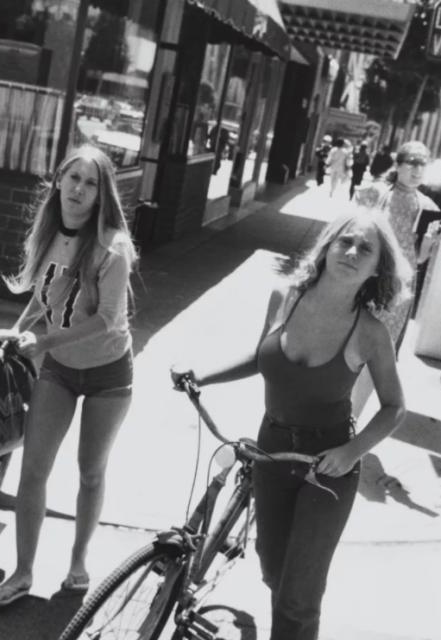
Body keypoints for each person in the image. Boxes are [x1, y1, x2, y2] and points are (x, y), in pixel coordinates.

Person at [171, 209, 410, 640]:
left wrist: (351, 453)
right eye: (346, 241)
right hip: (273, 448)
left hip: (329, 465)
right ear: (328, 247)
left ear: (378, 267)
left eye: (366, 249)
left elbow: (394, 407)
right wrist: (202, 374)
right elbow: (262, 355)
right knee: (272, 569)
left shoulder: (371, 333)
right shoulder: (285, 296)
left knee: (298, 597)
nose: (353, 253)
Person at [0, 145, 138, 606]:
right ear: (58, 181)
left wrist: (44, 342)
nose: (79, 190)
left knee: (90, 472)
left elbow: (109, 318)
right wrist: (18, 329)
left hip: (109, 371)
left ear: (100, 194)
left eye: (90, 184)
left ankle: (78, 560)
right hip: (61, 369)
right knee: (34, 469)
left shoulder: (113, 247)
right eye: (73, 178)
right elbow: (48, 293)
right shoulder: (48, 233)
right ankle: (23, 573)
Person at [353, 141, 438, 352]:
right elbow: (351, 228)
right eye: (412, 163)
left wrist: (428, 241)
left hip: (399, 285)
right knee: (352, 334)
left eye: (423, 165)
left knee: (383, 345)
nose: (417, 170)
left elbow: (419, 258)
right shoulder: (375, 192)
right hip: (367, 274)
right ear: (398, 165)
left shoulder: (428, 207)